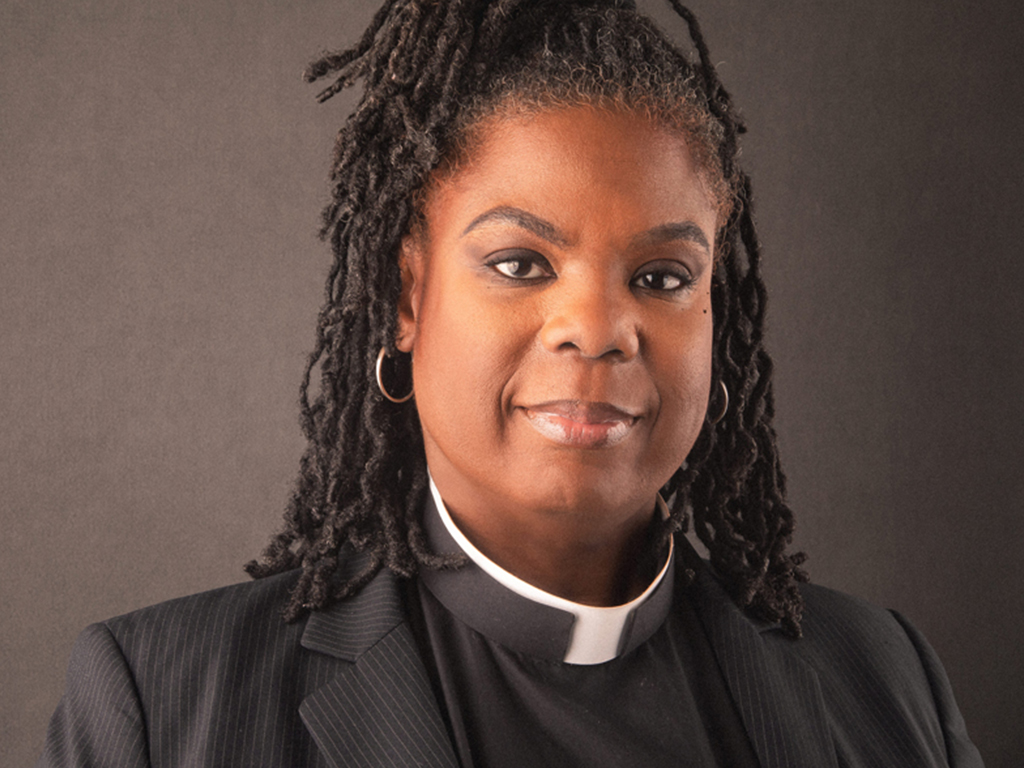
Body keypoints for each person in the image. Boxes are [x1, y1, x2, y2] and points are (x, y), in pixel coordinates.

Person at [37, 1, 984, 766]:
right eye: (521, 264)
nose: (597, 329)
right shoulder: (162, 706)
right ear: (408, 300)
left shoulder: (880, 677)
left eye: (661, 279)